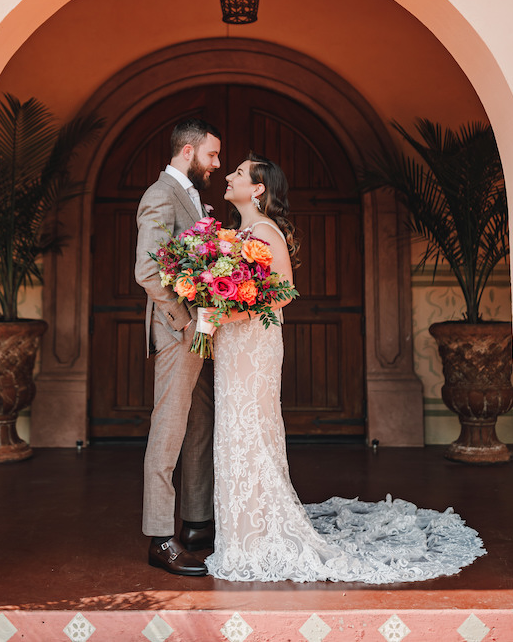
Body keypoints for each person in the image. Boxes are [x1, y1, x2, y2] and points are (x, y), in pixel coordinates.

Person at [204, 152, 486, 583]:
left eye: (239, 173)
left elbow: (281, 294)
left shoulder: (263, 231)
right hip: (232, 347)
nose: (229, 176)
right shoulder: (236, 233)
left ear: (258, 188)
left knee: (253, 430)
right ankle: (243, 532)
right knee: (234, 430)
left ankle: (260, 534)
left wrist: (226, 316)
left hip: (254, 345)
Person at [134, 118, 221, 577]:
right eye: (213, 154)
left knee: (200, 423)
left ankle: (197, 523)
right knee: (168, 431)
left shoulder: (188, 194)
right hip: (179, 331)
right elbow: (147, 272)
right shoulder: (159, 195)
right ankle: (159, 538)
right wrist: (185, 321)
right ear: (188, 152)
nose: (218, 163)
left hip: (202, 331)